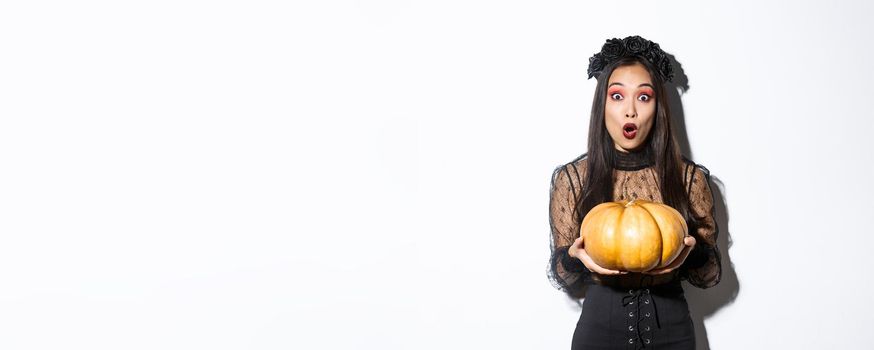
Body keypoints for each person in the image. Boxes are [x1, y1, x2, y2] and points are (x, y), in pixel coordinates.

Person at [546, 35, 722, 349]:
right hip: (598, 334)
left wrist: (691, 251)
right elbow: (563, 274)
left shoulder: (688, 178)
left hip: (673, 335)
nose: (630, 111)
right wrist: (573, 258)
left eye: (643, 97)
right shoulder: (573, 178)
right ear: (602, 105)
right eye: (617, 96)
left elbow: (708, 276)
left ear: (658, 107)